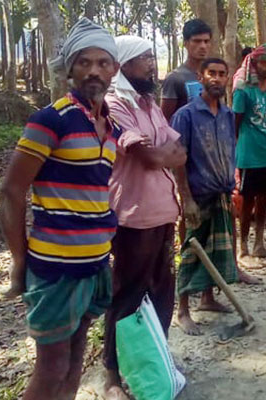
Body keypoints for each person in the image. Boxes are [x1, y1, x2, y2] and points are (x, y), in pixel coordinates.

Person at [0, 18, 121, 399]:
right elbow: (11, 192)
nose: (94, 71)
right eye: (84, 62)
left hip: (95, 263)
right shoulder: (51, 119)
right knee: (50, 369)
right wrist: (21, 262)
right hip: (55, 267)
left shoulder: (110, 126)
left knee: (76, 357)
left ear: (114, 69)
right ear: (69, 68)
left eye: (103, 62)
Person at [103, 36, 187, 399]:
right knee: (126, 295)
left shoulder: (149, 104)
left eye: (152, 56)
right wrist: (161, 154)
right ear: (123, 65)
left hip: (164, 213)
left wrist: (161, 154)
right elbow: (149, 158)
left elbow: (178, 150)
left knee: (161, 290)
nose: (152, 64)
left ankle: (154, 360)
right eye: (144, 58)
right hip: (134, 217)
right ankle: (111, 374)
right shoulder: (114, 104)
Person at [171, 58, 244, 335]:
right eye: (211, 73)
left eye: (222, 74)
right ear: (200, 78)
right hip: (197, 196)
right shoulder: (186, 115)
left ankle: (209, 299)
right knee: (191, 252)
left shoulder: (227, 114)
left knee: (214, 250)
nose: (216, 78)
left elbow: (228, 151)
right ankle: (183, 311)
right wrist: (185, 198)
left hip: (221, 193)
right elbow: (178, 159)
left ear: (227, 78)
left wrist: (231, 183)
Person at [232, 43, 266, 258]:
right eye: (264, 62)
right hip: (249, 154)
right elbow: (235, 123)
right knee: (247, 200)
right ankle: (242, 245)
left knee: (264, 199)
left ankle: (259, 243)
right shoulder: (243, 91)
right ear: (254, 64)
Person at [161, 19, 212, 120]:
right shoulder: (175, 78)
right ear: (185, 43)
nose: (203, 46)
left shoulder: (213, 77)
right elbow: (164, 121)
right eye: (197, 41)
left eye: (206, 41)